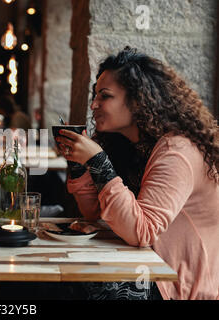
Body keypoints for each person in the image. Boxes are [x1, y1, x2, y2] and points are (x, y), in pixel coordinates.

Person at [56, 47, 219, 300]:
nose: (93, 104)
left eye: (104, 96)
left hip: (176, 284)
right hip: (147, 265)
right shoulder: (130, 146)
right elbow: (94, 212)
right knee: (59, 275)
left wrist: (97, 160)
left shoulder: (177, 150)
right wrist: (79, 164)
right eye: (95, 95)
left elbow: (141, 231)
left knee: (68, 284)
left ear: (137, 101)